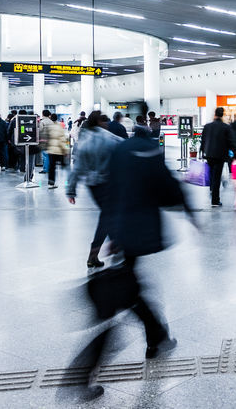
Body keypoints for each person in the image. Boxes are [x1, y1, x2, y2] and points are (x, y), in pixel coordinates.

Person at [68, 122, 191, 400]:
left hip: (124, 228)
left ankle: (157, 336)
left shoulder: (117, 151)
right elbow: (167, 190)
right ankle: (81, 376)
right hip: (136, 232)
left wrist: (113, 229)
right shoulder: (143, 153)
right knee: (117, 305)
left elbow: (112, 190)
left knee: (131, 289)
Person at [68, 112, 122, 269]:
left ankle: (115, 243)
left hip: (92, 185)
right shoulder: (108, 137)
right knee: (108, 216)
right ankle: (94, 254)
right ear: (99, 122)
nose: (107, 124)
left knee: (108, 213)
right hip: (107, 182)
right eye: (104, 121)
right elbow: (124, 149)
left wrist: (71, 190)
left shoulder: (83, 139)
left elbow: (77, 167)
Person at [200, 108, 233, 207]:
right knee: (217, 177)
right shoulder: (225, 127)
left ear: (215, 114)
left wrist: (202, 152)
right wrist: (234, 153)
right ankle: (215, 200)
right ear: (222, 115)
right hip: (220, 155)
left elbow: (203, 140)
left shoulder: (207, 126)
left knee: (211, 173)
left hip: (209, 154)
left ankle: (211, 189)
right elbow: (231, 141)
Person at [42, 109, 69, 188]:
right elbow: (62, 139)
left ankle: (51, 183)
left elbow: (45, 137)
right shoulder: (59, 126)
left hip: (51, 150)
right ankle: (69, 182)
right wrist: (65, 150)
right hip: (58, 151)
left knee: (52, 167)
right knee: (64, 166)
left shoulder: (49, 126)